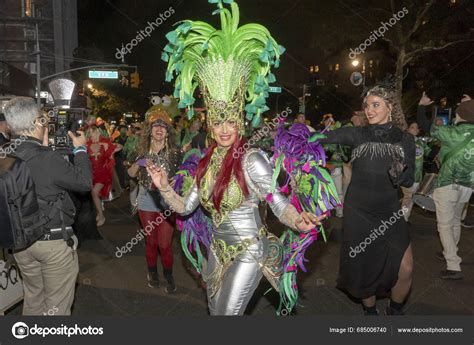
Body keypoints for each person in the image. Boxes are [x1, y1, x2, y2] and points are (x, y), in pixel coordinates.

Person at [153, 0, 326, 315]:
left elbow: (277, 202)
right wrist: (164, 187)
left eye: (230, 122)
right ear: (210, 124)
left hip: (249, 251)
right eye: (217, 122)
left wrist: (299, 221)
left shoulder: (252, 159)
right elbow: (186, 207)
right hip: (216, 253)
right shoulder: (205, 163)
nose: (223, 129)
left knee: (226, 317)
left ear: (240, 122)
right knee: (215, 312)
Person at [320, 85, 415, 315]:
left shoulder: (405, 139)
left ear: (390, 107)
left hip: (389, 211)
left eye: (376, 105)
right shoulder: (358, 134)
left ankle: (395, 311)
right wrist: (290, 137)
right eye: (367, 105)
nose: (369, 110)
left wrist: (400, 172)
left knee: (406, 268)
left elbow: (410, 179)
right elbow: (322, 137)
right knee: (364, 267)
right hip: (359, 212)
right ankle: (370, 313)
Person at [3, 97, 92, 315]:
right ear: (36, 123)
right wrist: (80, 151)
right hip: (52, 243)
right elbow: (84, 183)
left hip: (21, 242)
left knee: (33, 299)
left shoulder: (4, 153)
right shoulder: (48, 158)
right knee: (56, 308)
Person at [417, 92, 474, 280]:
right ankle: (451, 250)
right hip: (467, 186)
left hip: (448, 183)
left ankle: (453, 264)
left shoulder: (452, 132)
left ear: (460, 115)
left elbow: (426, 126)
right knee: (456, 220)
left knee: (444, 225)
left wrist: (421, 106)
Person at [127, 110, 181, 293]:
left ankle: (169, 275)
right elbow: (130, 174)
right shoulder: (141, 150)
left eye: (163, 126)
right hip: (146, 198)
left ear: (168, 132)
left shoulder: (175, 152)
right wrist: (139, 163)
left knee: (165, 244)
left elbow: (185, 175)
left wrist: (178, 179)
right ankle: (152, 272)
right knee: (151, 241)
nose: (159, 129)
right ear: (150, 130)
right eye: (156, 126)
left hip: (167, 201)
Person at [86, 124, 117, 227]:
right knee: (94, 194)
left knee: (94, 192)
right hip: (92, 173)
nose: (92, 135)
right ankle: (99, 213)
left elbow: (117, 148)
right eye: (90, 133)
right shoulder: (87, 144)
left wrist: (111, 151)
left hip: (103, 173)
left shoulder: (105, 143)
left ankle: (102, 216)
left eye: (93, 132)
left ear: (98, 132)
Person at [400, 120, 431, 221]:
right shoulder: (402, 141)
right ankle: (403, 219)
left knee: (409, 198)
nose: (415, 129)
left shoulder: (420, 142)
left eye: (417, 128)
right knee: (408, 197)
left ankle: (403, 218)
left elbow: (429, 153)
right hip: (406, 174)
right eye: (412, 127)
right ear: (408, 129)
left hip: (417, 176)